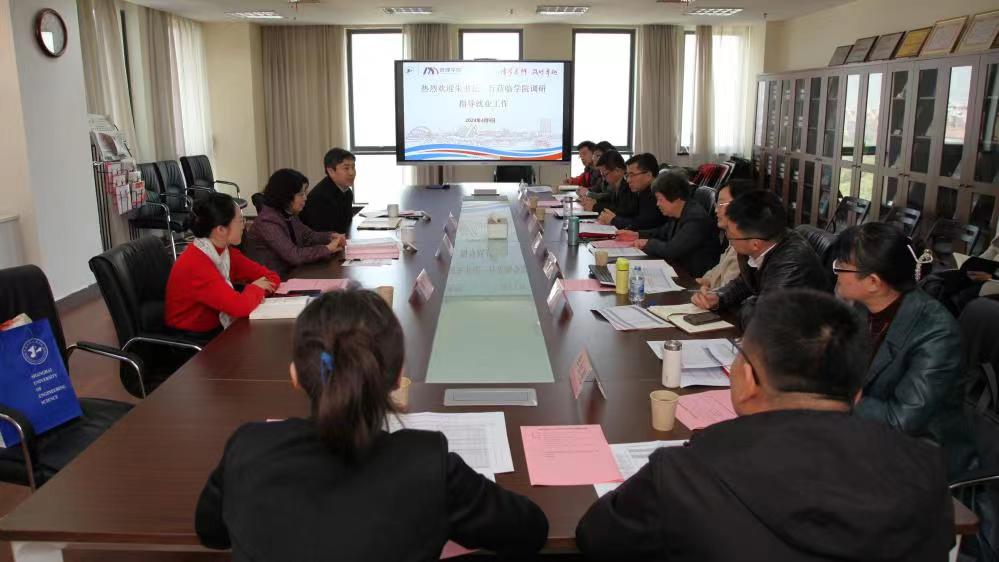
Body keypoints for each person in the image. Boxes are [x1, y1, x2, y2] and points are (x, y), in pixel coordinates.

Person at [575, 289, 954, 561]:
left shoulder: (683, 474)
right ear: (857, 395)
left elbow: (596, 537)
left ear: (747, 380)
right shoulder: (925, 469)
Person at [195, 290, 549, 561]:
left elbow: (211, 532)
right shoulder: (429, 464)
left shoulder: (247, 448)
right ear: (397, 377)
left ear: (295, 375)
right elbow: (531, 530)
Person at [831, 222, 977, 478]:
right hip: (865, 433)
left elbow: (901, 421)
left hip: (919, 458)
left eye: (841, 267)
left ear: (873, 282)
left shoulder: (936, 333)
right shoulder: (863, 306)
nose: (836, 273)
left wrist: (840, 395)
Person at [691, 190, 830, 328]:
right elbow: (745, 282)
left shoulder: (791, 264)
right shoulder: (766, 240)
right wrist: (718, 297)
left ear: (755, 244)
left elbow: (762, 322)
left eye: (730, 235)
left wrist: (747, 304)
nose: (728, 238)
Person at [165, 193, 280, 334]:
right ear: (220, 229)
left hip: (216, 328)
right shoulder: (197, 263)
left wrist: (253, 294)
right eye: (240, 220)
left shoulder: (225, 252)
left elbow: (272, 277)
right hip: (192, 338)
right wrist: (256, 289)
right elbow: (239, 307)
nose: (244, 225)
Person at [244, 169, 346, 280]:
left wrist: (330, 236)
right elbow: (294, 255)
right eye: (301, 194)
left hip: (291, 274)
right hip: (272, 281)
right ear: (285, 196)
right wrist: (327, 249)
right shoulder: (267, 221)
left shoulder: (288, 212)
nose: (305, 198)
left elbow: (308, 236)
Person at [619, 172, 719, 277]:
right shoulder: (678, 211)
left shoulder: (696, 219)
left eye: (660, 199)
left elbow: (671, 250)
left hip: (693, 277)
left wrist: (648, 243)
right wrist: (637, 234)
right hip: (679, 267)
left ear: (675, 197)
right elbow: (662, 231)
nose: (657, 204)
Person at [696, 179, 759, 290]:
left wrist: (710, 291)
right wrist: (706, 281)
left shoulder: (748, 246)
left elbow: (728, 291)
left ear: (742, 205)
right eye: (716, 204)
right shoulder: (731, 238)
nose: (716, 210)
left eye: (721, 204)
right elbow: (718, 269)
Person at [596, 153, 666, 231]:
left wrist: (614, 220)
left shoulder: (655, 194)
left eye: (632, 175)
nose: (628, 180)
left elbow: (643, 225)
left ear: (648, 175)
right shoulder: (643, 191)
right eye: (627, 175)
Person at [299, 148, 357, 234]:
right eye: (346, 168)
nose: (352, 173)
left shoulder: (347, 192)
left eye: (353, 167)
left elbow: (346, 225)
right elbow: (322, 234)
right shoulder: (319, 197)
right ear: (331, 171)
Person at [581, 150, 630, 214]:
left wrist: (594, 207)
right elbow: (611, 204)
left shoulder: (628, 186)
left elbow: (621, 211)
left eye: (605, 175)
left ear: (617, 171)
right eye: (602, 175)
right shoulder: (616, 185)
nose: (603, 179)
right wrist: (594, 202)